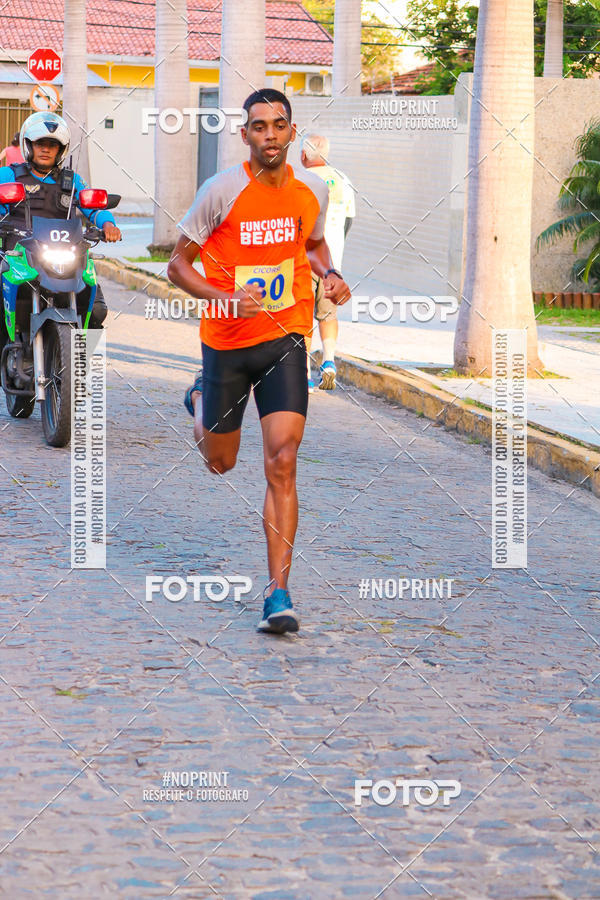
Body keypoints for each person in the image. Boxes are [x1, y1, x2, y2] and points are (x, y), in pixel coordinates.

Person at [168, 88, 351, 635]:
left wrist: (330, 273)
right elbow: (178, 266)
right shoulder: (221, 190)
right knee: (220, 462)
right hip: (226, 342)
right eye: (258, 126)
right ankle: (201, 397)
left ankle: (278, 592)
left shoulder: (311, 189)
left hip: (285, 337)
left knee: (282, 461)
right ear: (245, 134)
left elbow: (313, 244)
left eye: (278, 125)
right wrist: (220, 297)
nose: (269, 135)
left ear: (292, 133)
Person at [0, 112, 121, 335]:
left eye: (52, 145)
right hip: (17, 255)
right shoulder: (9, 175)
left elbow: (93, 207)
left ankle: (83, 365)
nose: (46, 149)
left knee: (96, 309)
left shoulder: (71, 180)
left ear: (61, 150)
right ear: (29, 145)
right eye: (40, 144)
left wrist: (108, 225)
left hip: (65, 253)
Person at [300, 133, 356, 391]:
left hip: (304, 260)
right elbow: (347, 221)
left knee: (302, 318)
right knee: (328, 313)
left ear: (303, 156)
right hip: (333, 263)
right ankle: (330, 361)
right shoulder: (344, 180)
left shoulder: (301, 180)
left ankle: (305, 374)